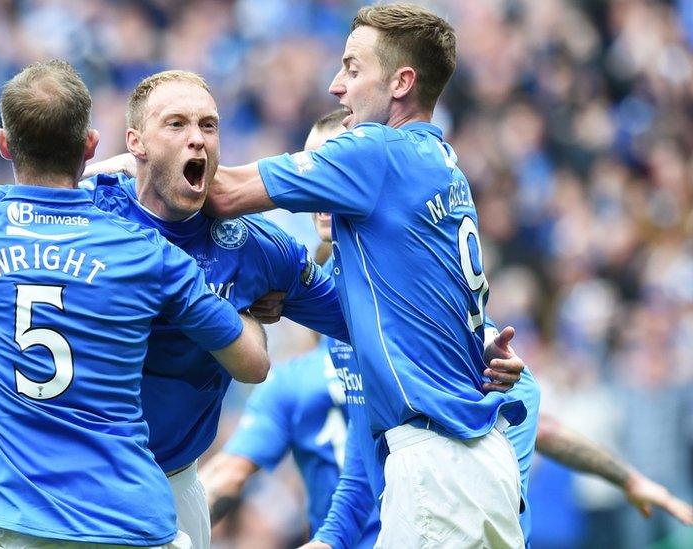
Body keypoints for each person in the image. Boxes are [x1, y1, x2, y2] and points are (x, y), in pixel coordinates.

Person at [0, 68, 525, 548]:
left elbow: (366, 313)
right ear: (136, 143)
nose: (198, 138)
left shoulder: (258, 251)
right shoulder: (89, 206)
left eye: (209, 125)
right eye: (177, 124)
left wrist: (477, 346)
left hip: (167, 485)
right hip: (73, 482)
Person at [211, 110, 692, 549]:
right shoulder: (350, 325)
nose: (319, 191)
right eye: (313, 170)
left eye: (332, 171)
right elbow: (360, 467)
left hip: (447, 517)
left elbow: (520, 394)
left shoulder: (410, 310)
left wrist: (510, 498)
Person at [0, 60, 271, 548]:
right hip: (132, 525)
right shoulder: (147, 254)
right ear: (90, 145)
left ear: (4, 144)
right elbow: (251, 363)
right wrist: (250, 312)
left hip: (16, 526)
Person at [203, 4, 533, 545]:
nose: (337, 85)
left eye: (353, 69)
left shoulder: (376, 151)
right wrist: (288, 295)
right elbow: (377, 313)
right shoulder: (443, 167)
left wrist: (126, 165)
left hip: (435, 467)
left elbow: (219, 193)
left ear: (402, 82)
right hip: (482, 462)